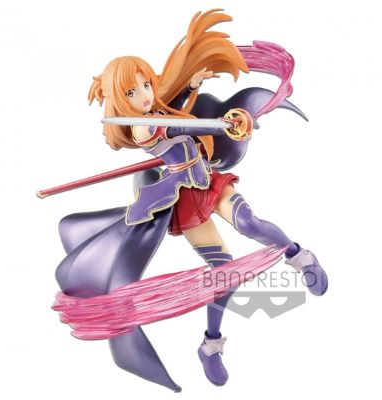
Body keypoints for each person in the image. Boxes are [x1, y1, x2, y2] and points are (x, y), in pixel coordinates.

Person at [54, 8, 328, 391]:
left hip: (206, 180)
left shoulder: (155, 110)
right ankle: (211, 345)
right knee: (225, 273)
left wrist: (193, 89)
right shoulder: (141, 126)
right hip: (184, 199)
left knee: (249, 222)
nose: (144, 96)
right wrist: (223, 124)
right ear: (119, 100)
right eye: (131, 92)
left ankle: (299, 255)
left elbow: (176, 113)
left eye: (146, 84)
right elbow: (178, 125)